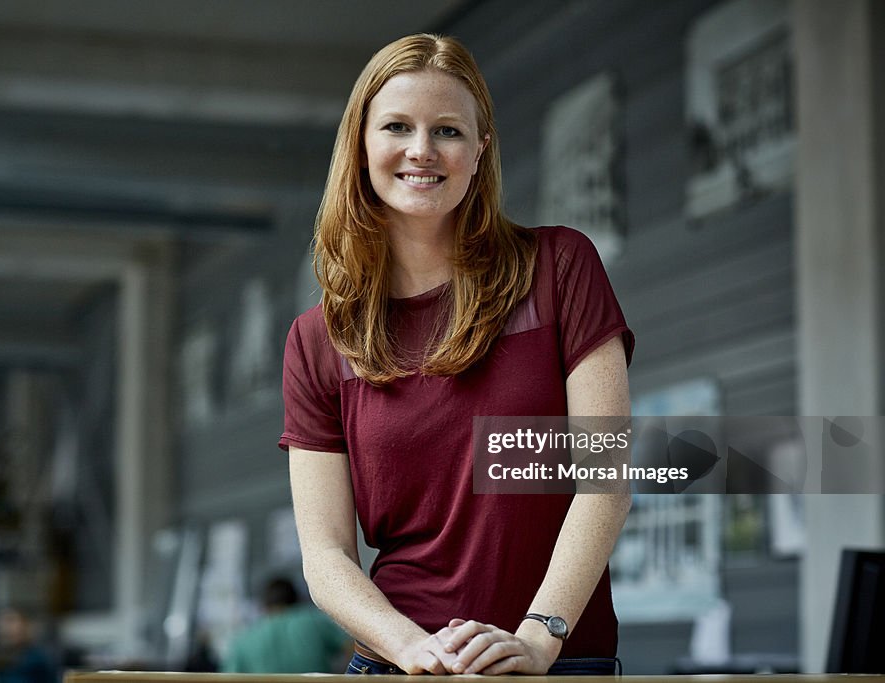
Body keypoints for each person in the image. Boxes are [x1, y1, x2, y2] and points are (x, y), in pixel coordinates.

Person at [279, 33, 635, 676]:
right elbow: (327, 558)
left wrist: (538, 636)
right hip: (401, 667)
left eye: (447, 129)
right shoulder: (318, 341)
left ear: (480, 149)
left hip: (558, 661)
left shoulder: (560, 268)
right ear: (362, 147)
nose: (422, 150)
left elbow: (605, 480)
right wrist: (412, 648)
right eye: (397, 126)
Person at [220, 576, 350, 673]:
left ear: (263, 606)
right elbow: (352, 649)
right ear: (297, 599)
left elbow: (229, 678)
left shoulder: (243, 640)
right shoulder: (314, 621)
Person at [0, 607, 58, 683]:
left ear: (25, 626)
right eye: (4, 623)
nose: (6, 628)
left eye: (11, 621)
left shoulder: (38, 659)